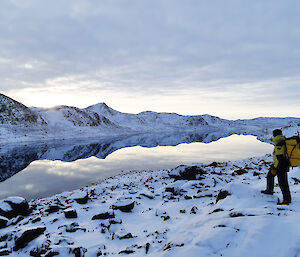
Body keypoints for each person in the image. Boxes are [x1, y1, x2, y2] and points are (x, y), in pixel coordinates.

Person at [261, 129, 291, 205]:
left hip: (281, 166)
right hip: (281, 164)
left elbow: (280, 158)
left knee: (282, 183)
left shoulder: (279, 143)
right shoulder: (281, 141)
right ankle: (269, 190)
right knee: (270, 175)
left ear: (275, 135)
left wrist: (276, 167)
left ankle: (287, 200)